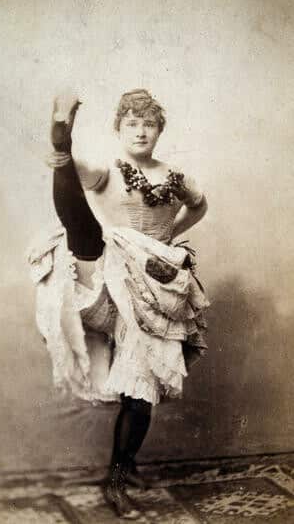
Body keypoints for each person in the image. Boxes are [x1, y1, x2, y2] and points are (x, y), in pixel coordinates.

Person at [28, 89, 209, 519]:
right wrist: (62, 154)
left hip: (159, 286)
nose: (141, 131)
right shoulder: (109, 170)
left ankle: (120, 474)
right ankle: (62, 138)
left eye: (149, 124)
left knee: (140, 393)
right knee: (82, 228)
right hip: (112, 277)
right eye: (132, 123)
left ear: (160, 129)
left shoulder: (175, 175)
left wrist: (167, 242)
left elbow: (199, 206)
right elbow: (80, 173)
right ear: (119, 129)